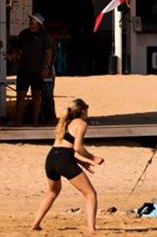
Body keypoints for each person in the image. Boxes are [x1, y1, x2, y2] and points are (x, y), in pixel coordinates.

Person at [31, 98, 104, 233]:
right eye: (87, 108)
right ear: (82, 110)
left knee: (52, 192)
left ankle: (35, 224)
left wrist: (82, 162)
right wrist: (93, 158)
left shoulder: (64, 123)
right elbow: (77, 148)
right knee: (90, 194)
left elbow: (62, 150)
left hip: (51, 158)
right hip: (63, 159)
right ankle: (92, 228)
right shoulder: (81, 123)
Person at [14, 13, 52, 126]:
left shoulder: (44, 36)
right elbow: (17, 48)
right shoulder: (23, 34)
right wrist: (14, 56)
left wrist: (46, 68)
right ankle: (18, 121)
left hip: (38, 70)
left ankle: (35, 121)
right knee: (20, 96)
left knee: (37, 96)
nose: (31, 22)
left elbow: (48, 53)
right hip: (24, 69)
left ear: (39, 23)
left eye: (34, 21)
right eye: (31, 20)